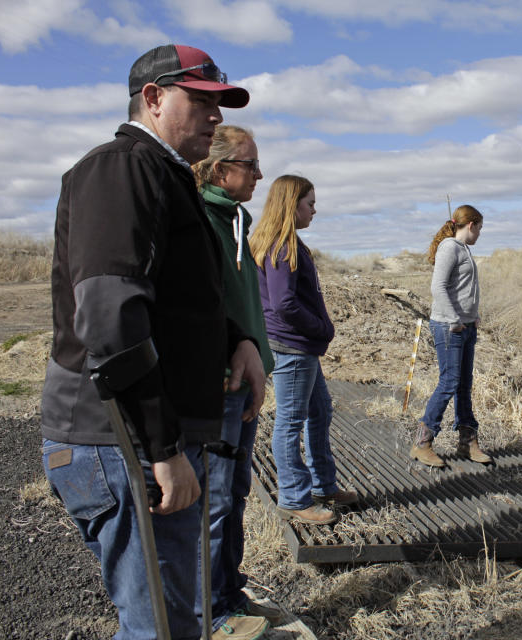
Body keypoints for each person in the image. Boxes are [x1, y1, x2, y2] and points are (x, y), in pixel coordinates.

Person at [40, 45, 268, 640]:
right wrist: (161, 449)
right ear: (154, 97)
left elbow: (175, 301)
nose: (216, 117)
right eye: (203, 102)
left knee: (176, 621)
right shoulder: (121, 169)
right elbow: (112, 321)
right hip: (120, 441)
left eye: (221, 105)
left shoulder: (165, 176)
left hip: (145, 441)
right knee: (159, 630)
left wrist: (236, 340)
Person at [192, 126, 282, 633]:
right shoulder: (198, 219)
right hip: (219, 385)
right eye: (250, 165)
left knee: (236, 491)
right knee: (216, 499)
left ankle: (230, 592)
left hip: (245, 380)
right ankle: (212, 611)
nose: (259, 174)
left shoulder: (236, 218)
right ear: (220, 168)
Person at [249, 175, 358, 525]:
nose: (314, 209)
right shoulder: (283, 246)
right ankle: (295, 497)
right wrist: (322, 327)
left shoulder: (284, 242)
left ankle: (324, 486)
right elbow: (283, 304)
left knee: (320, 411)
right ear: (291, 204)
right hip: (293, 348)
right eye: (309, 203)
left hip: (299, 347)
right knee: (291, 421)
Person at [411, 205, 493, 468]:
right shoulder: (449, 247)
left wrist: (472, 315)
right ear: (471, 225)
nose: (480, 233)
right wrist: (456, 320)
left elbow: (464, 289)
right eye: (479, 228)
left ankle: (467, 442)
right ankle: (422, 443)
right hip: (449, 327)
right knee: (449, 383)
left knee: (463, 385)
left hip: (466, 326)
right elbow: (438, 287)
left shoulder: (464, 250)